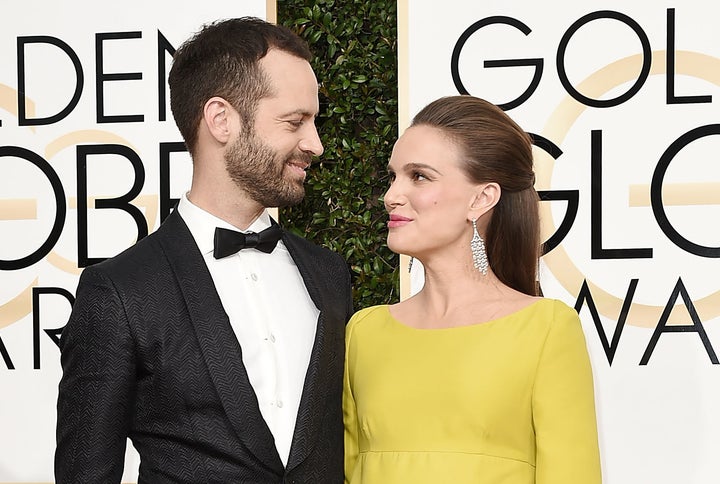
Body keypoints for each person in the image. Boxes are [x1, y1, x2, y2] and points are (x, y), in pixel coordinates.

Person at [55, 17, 353, 483]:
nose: (314, 144)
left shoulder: (329, 273)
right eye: (296, 121)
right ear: (221, 120)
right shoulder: (119, 292)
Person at [343, 95, 601, 484]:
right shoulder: (364, 332)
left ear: (481, 198)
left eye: (419, 176)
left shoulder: (545, 328)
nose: (391, 196)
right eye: (393, 176)